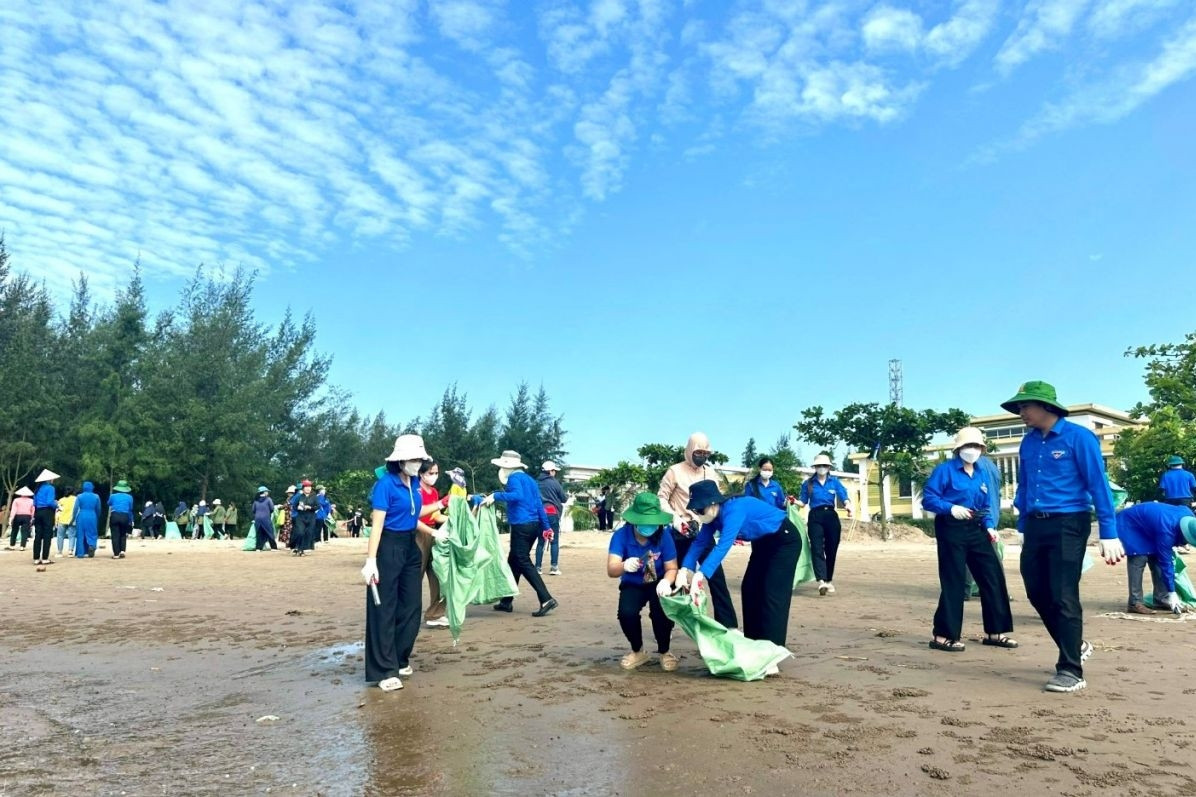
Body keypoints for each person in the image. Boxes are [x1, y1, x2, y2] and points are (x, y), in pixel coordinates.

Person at [1002, 381, 1122, 694]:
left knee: (1063, 592)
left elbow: (1099, 485)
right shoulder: (1028, 443)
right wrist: (1022, 523)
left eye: (1025, 406)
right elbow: (1026, 486)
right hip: (1036, 525)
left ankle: (1070, 670)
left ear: (1045, 406)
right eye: (1019, 407)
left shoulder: (1079, 438)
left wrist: (1109, 532)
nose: (1021, 412)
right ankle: (1076, 643)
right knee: (1036, 590)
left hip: (1070, 522)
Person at [360, 434, 445, 692]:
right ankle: (384, 670)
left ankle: (399, 658)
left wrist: (436, 523)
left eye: (420, 459)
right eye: (413, 459)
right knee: (384, 608)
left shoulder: (415, 483)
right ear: (399, 460)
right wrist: (371, 560)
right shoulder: (385, 485)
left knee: (410, 606)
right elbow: (378, 524)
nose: (418, 463)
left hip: (410, 546)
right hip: (388, 546)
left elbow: (411, 513)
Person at [921, 427, 1017, 653]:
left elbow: (984, 505)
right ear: (958, 449)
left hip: (977, 528)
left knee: (992, 576)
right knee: (954, 580)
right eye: (967, 446)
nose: (971, 450)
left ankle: (996, 632)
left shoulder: (982, 474)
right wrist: (951, 508)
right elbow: (929, 499)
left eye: (975, 446)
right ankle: (943, 635)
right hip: (951, 527)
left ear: (982, 449)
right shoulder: (944, 471)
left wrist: (990, 526)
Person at [677, 480, 802, 648]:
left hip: (784, 541)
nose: (698, 514)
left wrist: (700, 575)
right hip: (762, 543)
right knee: (750, 587)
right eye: (695, 510)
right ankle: (753, 642)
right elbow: (699, 544)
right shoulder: (712, 517)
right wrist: (683, 571)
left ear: (713, 502)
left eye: (700, 509)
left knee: (772, 592)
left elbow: (723, 545)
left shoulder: (734, 510)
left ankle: (773, 650)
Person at [657, 432, 738, 628]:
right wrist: (675, 519)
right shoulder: (674, 471)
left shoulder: (710, 473)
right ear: (689, 450)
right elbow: (661, 498)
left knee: (716, 577)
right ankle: (668, 628)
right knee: (675, 576)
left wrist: (705, 522)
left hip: (703, 528)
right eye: (698, 451)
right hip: (679, 530)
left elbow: (715, 501)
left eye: (705, 452)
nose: (702, 456)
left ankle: (728, 626)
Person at [608, 492, 679, 671]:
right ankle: (638, 651)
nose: (649, 526)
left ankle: (664, 651)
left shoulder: (664, 536)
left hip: (658, 582)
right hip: (633, 582)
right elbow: (611, 569)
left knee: (661, 614)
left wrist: (666, 582)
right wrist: (624, 565)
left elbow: (672, 567)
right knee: (626, 614)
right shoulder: (621, 536)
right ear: (634, 520)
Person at [486, 450, 559, 617]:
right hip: (533, 526)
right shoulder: (530, 480)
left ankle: (546, 598)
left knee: (522, 560)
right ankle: (506, 601)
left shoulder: (514, 478)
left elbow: (516, 496)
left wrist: (495, 496)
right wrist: (546, 527)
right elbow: (539, 504)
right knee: (514, 561)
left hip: (521, 525)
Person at [1116, 502, 1196, 614]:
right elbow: (1167, 564)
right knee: (1139, 558)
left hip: (1152, 526)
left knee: (1157, 560)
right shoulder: (1166, 533)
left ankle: (1161, 599)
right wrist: (1172, 592)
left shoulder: (1190, 517)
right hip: (1131, 524)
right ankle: (1135, 603)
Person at [797, 453, 854, 596]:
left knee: (831, 548)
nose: (821, 468)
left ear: (829, 467)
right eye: (819, 466)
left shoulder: (834, 482)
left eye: (824, 466)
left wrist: (848, 505)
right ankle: (821, 580)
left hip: (831, 516)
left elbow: (843, 496)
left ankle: (829, 580)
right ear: (815, 467)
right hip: (815, 516)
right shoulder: (808, 484)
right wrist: (793, 502)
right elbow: (803, 502)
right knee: (816, 547)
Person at [415, 460, 449, 628]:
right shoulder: (416, 491)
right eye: (431, 473)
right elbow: (414, 517)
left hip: (435, 532)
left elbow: (436, 516)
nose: (434, 476)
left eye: (436, 473)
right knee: (416, 575)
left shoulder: (434, 492)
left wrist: (454, 519)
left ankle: (435, 613)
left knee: (438, 573)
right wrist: (433, 532)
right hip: (419, 534)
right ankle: (409, 614)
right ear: (421, 473)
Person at [536, 460, 568, 576]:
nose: (555, 473)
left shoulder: (537, 483)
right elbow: (564, 499)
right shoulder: (554, 483)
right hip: (552, 513)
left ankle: (538, 568)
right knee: (554, 541)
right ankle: (554, 567)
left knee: (541, 542)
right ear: (550, 471)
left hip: (540, 514)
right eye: (554, 471)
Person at [32, 469, 61, 565]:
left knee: (38, 535)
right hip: (47, 513)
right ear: (48, 479)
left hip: (38, 512)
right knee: (47, 535)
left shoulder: (37, 489)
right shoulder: (50, 488)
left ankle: (36, 558)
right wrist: (56, 505)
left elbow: (34, 503)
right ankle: (45, 558)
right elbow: (49, 502)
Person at [72, 482, 101, 558]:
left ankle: (80, 553)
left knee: (80, 534)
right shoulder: (96, 496)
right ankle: (91, 545)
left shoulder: (79, 496)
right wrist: (97, 516)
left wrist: (73, 518)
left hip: (81, 515)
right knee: (92, 533)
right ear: (92, 487)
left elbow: (75, 509)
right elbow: (98, 509)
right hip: (92, 515)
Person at [108, 479, 134, 559]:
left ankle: (116, 554)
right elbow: (130, 508)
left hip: (115, 515)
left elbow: (109, 503)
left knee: (115, 535)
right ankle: (122, 551)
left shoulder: (113, 496)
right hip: (125, 516)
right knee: (123, 534)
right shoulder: (130, 497)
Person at [290, 481, 318, 556]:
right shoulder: (299, 496)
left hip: (311, 517)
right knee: (300, 532)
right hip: (301, 517)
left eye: (310, 487)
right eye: (306, 487)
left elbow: (318, 506)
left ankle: (302, 549)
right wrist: (298, 508)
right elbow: (294, 506)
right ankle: (297, 547)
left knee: (308, 533)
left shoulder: (314, 496)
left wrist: (310, 507)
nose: (308, 489)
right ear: (303, 488)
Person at [8, 486, 34, 552]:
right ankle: (22, 546)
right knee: (25, 531)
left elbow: (13, 510)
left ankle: (12, 545)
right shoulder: (32, 501)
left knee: (14, 530)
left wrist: (11, 518)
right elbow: (33, 510)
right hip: (27, 516)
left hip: (17, 516)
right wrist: (32, 518)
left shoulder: (16, 500)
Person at [252, 487, 278, 551]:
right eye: (267, 491)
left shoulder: (256, 500)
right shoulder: (268, 499)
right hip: (266, 518)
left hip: (257, 519)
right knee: (269, 532)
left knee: (259, 533)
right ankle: (273, 547)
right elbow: (272, 508)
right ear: (264, 492)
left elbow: (253, 510)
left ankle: (258, 548)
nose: (268, 492)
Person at [56, 486, 77, 557]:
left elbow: (58, 511)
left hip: (62, 520)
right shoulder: (76, 499)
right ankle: (70, 551)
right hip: (72, 520)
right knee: (72, 536)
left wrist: (56, 521)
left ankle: (59, 552)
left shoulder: (61, 500)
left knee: (60, 536)